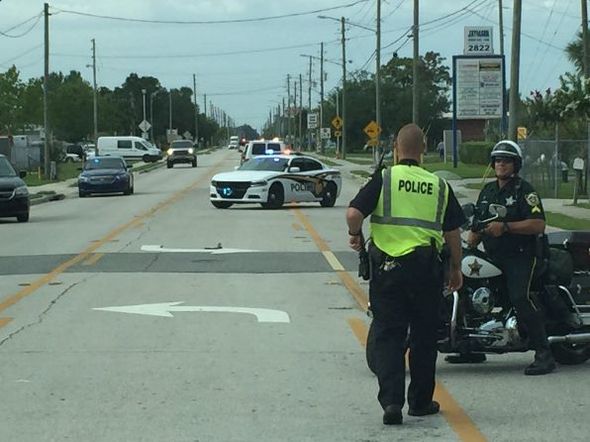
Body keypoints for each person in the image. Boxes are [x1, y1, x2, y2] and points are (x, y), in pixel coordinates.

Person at [346, 123, 465, 425]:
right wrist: (455, 269)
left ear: (397, 149)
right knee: (425, 338)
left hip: (388, 270)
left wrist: (356, 235)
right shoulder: (439, 185)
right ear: (424, 151)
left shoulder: (385, 178)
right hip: (426, 271)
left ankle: (391, 403)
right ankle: (421, 402)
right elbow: (452, 232)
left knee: (388, 335)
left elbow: (353, 214)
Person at [466, 140, 556, 376]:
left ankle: (544, 353)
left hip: (522, 256)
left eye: (505, 160)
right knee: (469, 287)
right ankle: (470, 346)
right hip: (493, 256)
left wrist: (506, 227)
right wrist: (468, 245)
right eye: (497, 160)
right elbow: (478, 224)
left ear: (515, 164)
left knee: (520, 297)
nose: (500, 164)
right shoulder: (487, 191)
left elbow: (538, 224)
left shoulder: (525, 191)